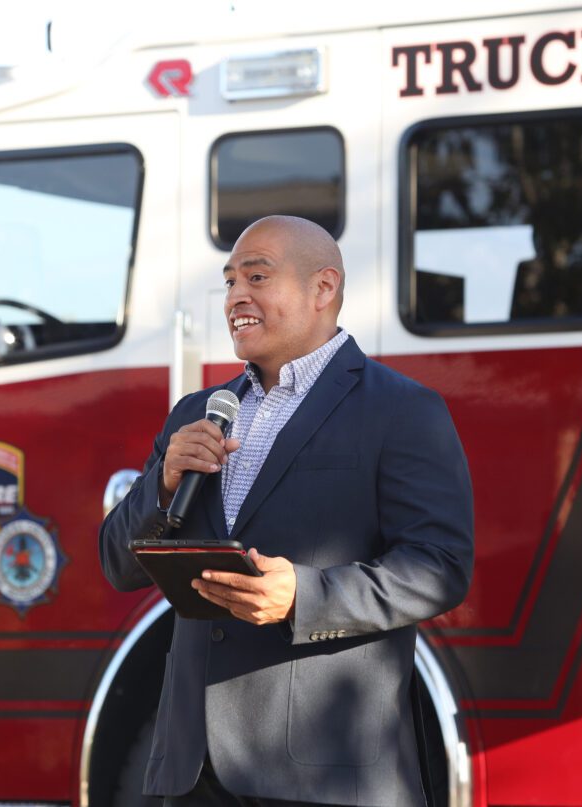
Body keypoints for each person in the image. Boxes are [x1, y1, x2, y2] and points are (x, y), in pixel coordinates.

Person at [99, 215, 474, 807]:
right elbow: (117, 565)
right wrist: (163, 486)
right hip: (194, 774)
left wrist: (303, 595)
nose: (235, 297)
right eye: (228, 281)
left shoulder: (403, 410)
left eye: (257, 276)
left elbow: (439, 568)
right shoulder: (196, 413)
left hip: (325, 774)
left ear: (323, 289)